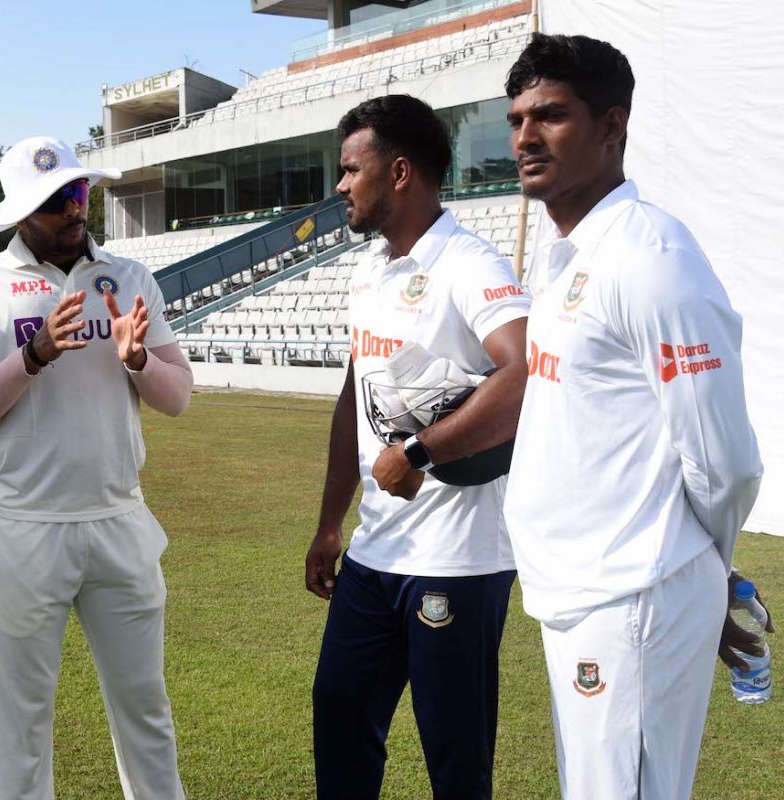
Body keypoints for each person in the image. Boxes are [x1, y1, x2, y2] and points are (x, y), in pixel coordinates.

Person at [501, 33, 766, 800]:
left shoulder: (653, 259)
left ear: (612, 126)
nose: (524, 137)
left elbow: (726, 461)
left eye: (549, 116)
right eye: (517, 118)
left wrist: (704, 572)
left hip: (632, 596)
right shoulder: (568, 257)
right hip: (582, 592)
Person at [0, 135, 192, 800]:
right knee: (21, 720)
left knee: (146, 710)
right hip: (27, 526)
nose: (73, 211)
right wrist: (33, 356)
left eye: (78, 194)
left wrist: (139, 361)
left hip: (119, 518)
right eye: (55, 202)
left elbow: (180, 397)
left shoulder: (130, 276)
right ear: (21, 214)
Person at [305, 95, 531, 800]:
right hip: (375, 556)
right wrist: (330, 522)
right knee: (339, 719)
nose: (341, 185)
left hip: (458, 565)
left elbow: (525, 370)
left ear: (399, 172)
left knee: (455, 760)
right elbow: (353, 401)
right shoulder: (369, 270)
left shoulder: (468, 263)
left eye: (351, 169)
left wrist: (423, 453)